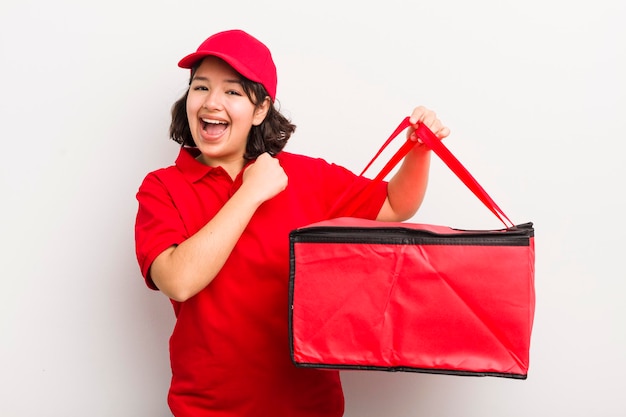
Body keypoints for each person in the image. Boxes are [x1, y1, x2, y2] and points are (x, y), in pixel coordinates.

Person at [134, 29, 450, 417]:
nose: (211, 102)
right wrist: (251, 192)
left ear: (261, 109)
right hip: (207, 408)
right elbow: (178, 282)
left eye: (232, 92)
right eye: (200, 87)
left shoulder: (305, 177)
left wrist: (418, 151)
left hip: (309, 407)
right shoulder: (162, 187)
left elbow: (395, 204)